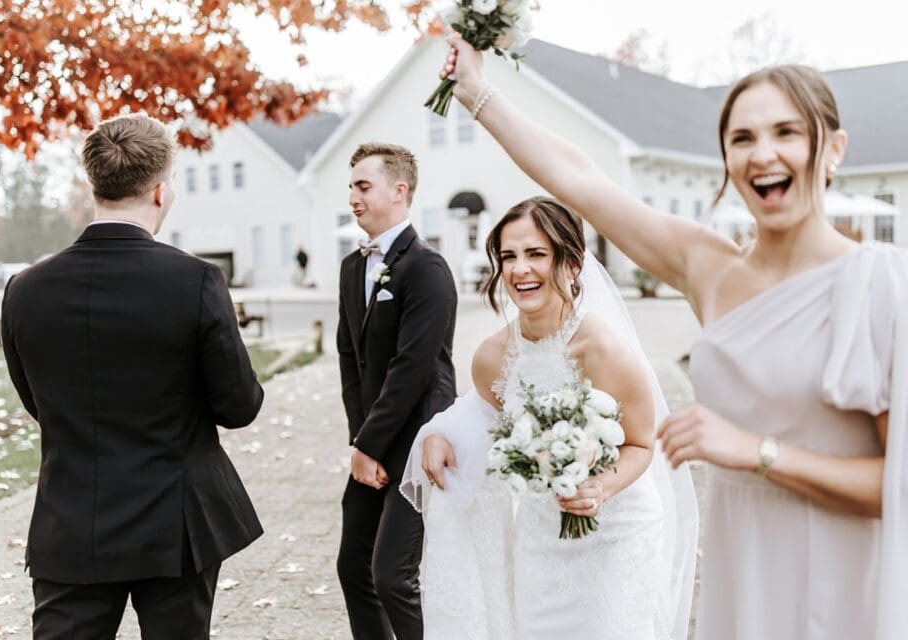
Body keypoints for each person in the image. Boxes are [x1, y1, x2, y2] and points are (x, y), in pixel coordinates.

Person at [442, 35, 907, 640]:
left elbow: (896, 486)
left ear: (834, 148)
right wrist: (476, 92)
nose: (763, 154)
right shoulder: (709, 268)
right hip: (743, 561)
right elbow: (580, 180)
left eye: (786, 132)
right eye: (742, 138)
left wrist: (756, 452)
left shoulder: (878, 281)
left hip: (838, 567)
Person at [1, 113, 265, 640]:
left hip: (71, 520)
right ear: (160, 191)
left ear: (94, 185)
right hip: (176, 522)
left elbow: (37, 402)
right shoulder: (196, 280)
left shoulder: (25, 289)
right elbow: (238, 406)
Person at [402, 197, 698, 639]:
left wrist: (600, 487)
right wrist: (441, 434)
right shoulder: (492, 357)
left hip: (618, 533)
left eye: (536, 254)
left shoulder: (605, 351)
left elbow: (641, 444)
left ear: (572, 264)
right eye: (509, 257)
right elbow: (482, 414)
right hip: (540, 536)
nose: (520, 269)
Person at [336, 142, 458, 639]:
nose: (353, 197)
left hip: (420, 438)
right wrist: (361, 441)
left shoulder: (427, 268)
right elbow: (350, 360)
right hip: (373, 440)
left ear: (399, 190)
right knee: (353, 567)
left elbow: (414, 368)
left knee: (393, 576)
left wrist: (371, 445)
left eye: (363, 186)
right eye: (351, 187)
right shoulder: (351, 267)